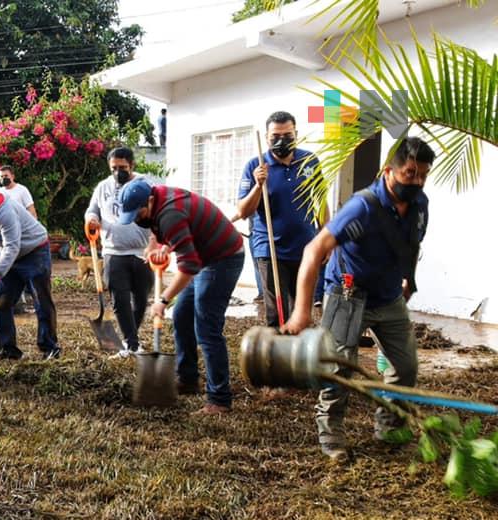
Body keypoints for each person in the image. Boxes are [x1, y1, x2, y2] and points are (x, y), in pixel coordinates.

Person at [283, 137, 436, 461]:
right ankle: (332, 434)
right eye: (410, 174)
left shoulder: (420, 204)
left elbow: (412, 242)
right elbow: (314, 250)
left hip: (389, 297)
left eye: (423, 175)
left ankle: (389, 424)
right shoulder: (362, 207)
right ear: (388, 171)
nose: (417, 182)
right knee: (340, 369)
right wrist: (301, 312)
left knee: (405, 367)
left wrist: (408, 277)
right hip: (347, 295)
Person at [119, 179, 244, 415]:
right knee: (182, 315)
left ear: (150, 200)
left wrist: (163, 299)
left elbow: (188, 266)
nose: (136, 218)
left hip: (223, 257)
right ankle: (187, 378)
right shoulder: (158, 199)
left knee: (206, 326)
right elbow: (184, 234)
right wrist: (165, 247)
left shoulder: (169, 215)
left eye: (138, 213)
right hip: (204, 255)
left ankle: (219, 399)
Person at [235, 111, 323, 328]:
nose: (281, 140)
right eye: (275, 136)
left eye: (287, 135)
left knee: (302, 312)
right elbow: (244, 211)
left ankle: (297, 358)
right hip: (270, 249)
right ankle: (275, 358)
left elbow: (321, 203)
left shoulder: (309, 161)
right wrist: (258, 185)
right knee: (278, 314)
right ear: (266, 138)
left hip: (305, 249)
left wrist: (324, 239)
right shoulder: (255, 165)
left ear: (296, 134)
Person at [0, 179, 59, 360]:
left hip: (34, 251)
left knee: (41, 300)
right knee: (3, 301)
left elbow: (12, 247)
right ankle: (7, 348)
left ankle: (49, 347)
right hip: (9, 255)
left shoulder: (4, 210)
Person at [84, 146, 152, 358]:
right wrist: (91, 219)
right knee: (120, 300)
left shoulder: (144, 185)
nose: (118, 172)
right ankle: (132, 344)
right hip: (113, 251)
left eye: (122, 167)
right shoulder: (103, 187)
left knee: (140, 300)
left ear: (131, 165)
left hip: (143, 252)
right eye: (114, 168)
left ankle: (130, 337)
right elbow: (92, 210)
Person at [0, 165, 38, 313]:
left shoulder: (22, 190)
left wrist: (32, 229)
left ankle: (33, 296)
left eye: (5, 175)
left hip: (22, 235)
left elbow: (31, 211)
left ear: (12, 175)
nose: (3, 179)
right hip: (4, 238)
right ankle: (14, 302)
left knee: (26, 268)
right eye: (0, 176)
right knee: (7, 271)